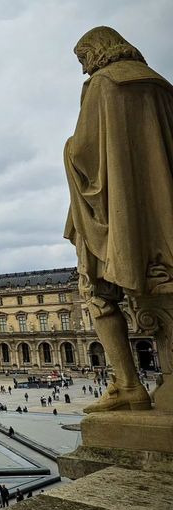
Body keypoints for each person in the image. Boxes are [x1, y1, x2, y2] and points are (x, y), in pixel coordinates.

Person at [65, 27, 172, 413]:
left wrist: (67, 149)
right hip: (161, 208)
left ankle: (127, 383)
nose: (83, 69)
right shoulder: (161, 85)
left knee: (96, 293)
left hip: (117, 211)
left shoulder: (104, 84)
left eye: (83, 59)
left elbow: (84, 150)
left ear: (98, 51)